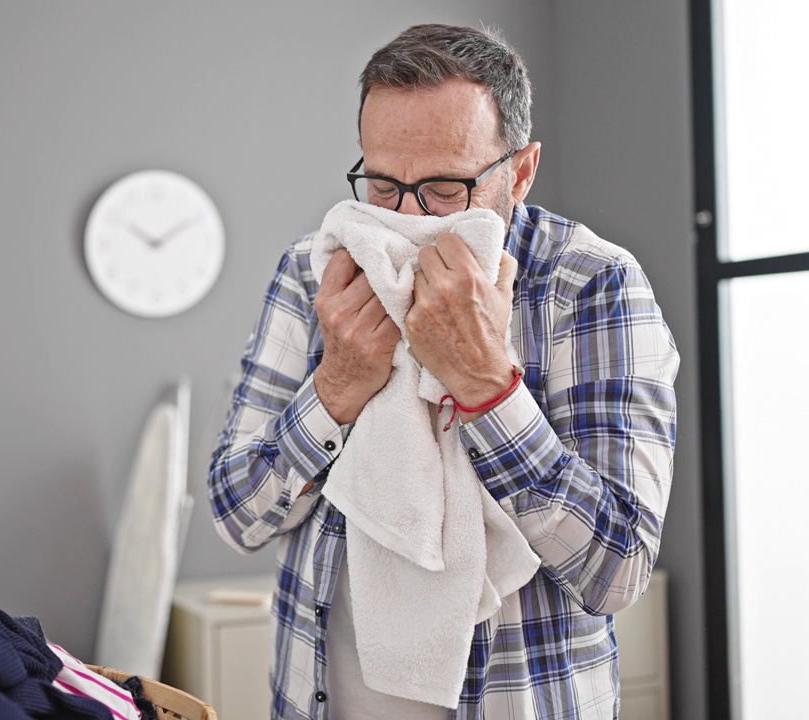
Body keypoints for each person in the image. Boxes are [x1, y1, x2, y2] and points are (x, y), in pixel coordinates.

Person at [207, 23, 679, 720]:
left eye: (443, 188)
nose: (406, 217)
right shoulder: (315, 270)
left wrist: (488, 388)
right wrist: (336, 389)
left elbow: (617, 572)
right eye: (383, 184)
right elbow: (237, 516)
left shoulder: (591, 285)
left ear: (519, 173)